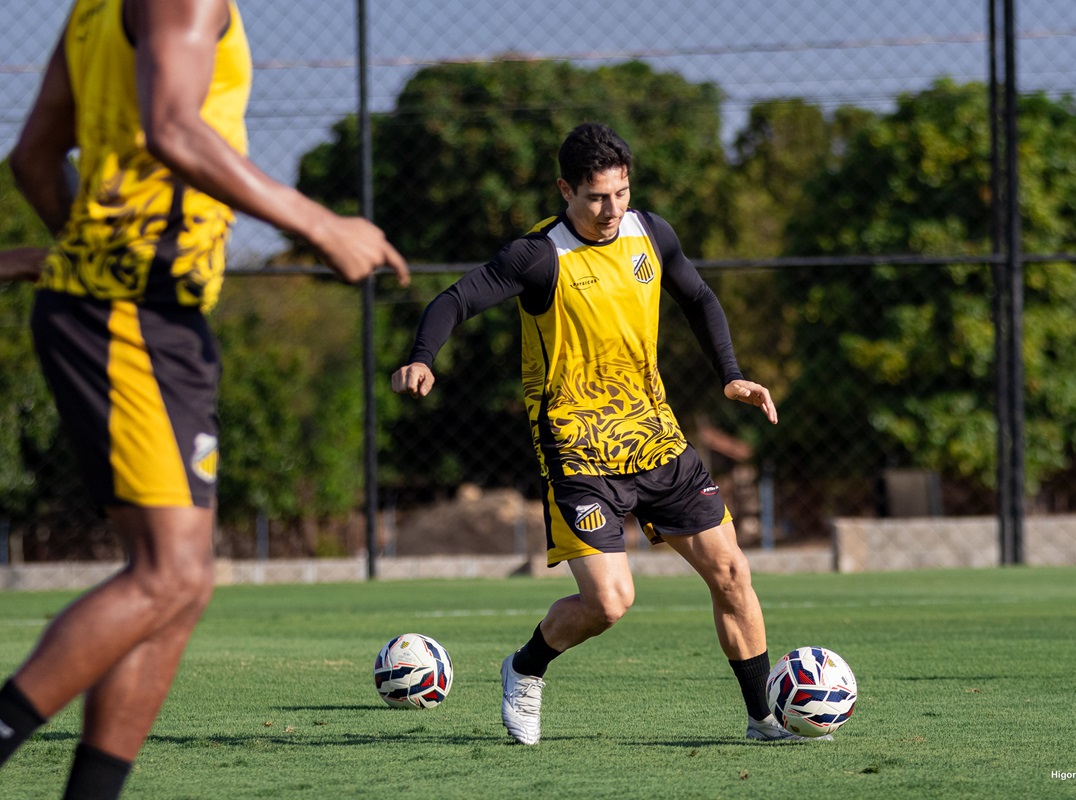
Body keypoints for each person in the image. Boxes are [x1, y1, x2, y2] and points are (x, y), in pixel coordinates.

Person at [0, 1, 409, 797]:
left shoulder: (96, 8)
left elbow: (34, 156)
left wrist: (81, 250)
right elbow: (174, 128)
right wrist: (318, 221)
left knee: (177, 588)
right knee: (171, 577)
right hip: (131, 314)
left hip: (133, 310)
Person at [392, 122, 818, 745]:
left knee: (732, 573)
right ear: (565, 190)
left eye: (621, 193)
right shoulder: (538, 256)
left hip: (655, 439)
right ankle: (525, 667)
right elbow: (455, 299)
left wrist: (731, 375)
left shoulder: (651, 233)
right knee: (610, 603)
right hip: (577, 451)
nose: (611, 209)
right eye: (596, 197)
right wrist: (424, 355)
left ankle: (762, 719)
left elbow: (699, 299)